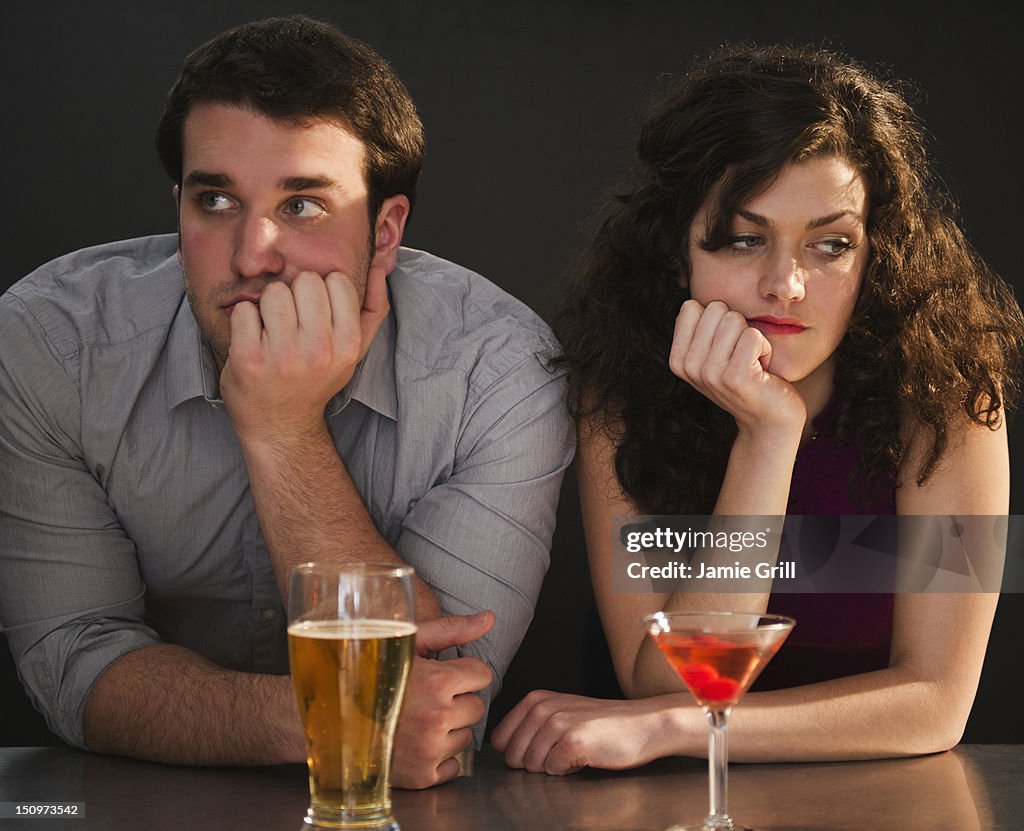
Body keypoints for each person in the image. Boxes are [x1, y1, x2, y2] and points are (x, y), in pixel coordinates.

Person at [0, 16, 573, 788]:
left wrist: (284, 430)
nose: (250, 254)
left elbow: (445, 695)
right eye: (215, 200)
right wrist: (327, 720)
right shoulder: (50, 344)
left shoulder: (496, 370)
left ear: (386, 227)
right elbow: (74, 654)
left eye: (303, 204)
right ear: (179, 206)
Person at [492, 43, 1023, 773]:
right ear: (679, 252)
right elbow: (662, 677)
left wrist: (673, 726)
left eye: (831, 245)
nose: (788, 285)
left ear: (878, 253)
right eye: (744, 239)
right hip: (667, 803)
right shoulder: (619, 394)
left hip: (881, 804)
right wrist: (769, 437)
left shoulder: (946, 399)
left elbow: (935, 700)